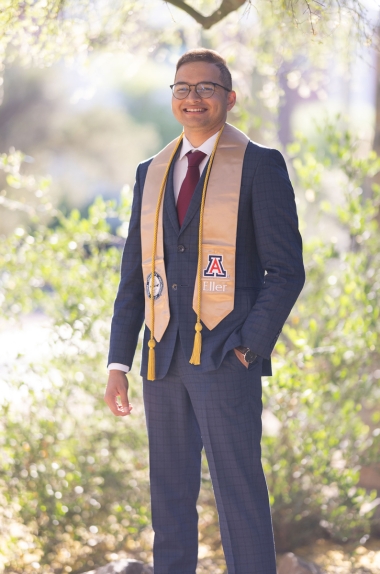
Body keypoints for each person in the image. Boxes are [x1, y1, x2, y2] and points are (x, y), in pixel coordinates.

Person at [105, 48, 305, 574]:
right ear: (173, 97)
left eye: (205, 88)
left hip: (226, 357)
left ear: (229, 98)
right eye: (182, 88)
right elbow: (132, 277)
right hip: (161, 360)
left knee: (239, 496)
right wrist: (117, 364)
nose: (192, 98)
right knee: (168, 499)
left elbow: (286, 271)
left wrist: (248, 347)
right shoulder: (151, 172)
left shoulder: (260, 166)